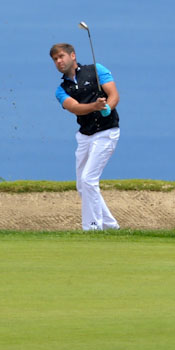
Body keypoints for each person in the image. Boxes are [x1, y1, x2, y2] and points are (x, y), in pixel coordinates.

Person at [50, 42, 121, 231]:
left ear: (72, 56)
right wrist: (95, 107)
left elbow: (113, 94)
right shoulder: (61, 89)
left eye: (61, 56)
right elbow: (75, 108)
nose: (59, 61)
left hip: (106, 132)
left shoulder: (96, 70)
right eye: (55, 59)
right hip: (85, 136)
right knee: (82, 185)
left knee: (89, 179)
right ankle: (111, 226)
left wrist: (108, 107)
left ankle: (92, 227)